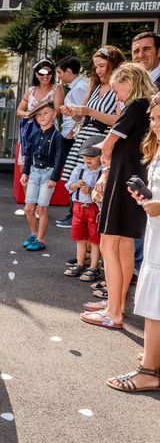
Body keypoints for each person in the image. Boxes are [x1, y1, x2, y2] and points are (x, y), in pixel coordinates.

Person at [81, 63, 156, 328]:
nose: (117, 96)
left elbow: (109, 143)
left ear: (129, 81)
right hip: (135, 179)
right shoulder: (148, 106)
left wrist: (103, 171)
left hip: (121, 180)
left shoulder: (135, 106)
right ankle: (117, 304)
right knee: (123, 247)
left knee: (109, 244)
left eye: (117, 89)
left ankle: (113, 312)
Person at [107, 93, 160, 392]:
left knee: (155, 303)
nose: (155, 125)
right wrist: (148, 198)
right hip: (156, 233)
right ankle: (155, 357)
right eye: (153, 119)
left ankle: (149, 371)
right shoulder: (157, 148)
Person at [61, 46, 125, 183]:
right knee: (75, 184)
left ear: (114, 64)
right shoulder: (95, 84)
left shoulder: (120, 87)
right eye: (96, 67)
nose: (98, 71)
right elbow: (80, 116)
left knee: (94, 185)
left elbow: (119, 121)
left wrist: (90, 112)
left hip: (101, 141)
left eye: (101, 66)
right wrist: (71, 112)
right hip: (83, 139)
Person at [14, 58, 64, 216]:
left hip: (48, 132)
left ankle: (39, 206)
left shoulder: (57, 88)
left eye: (49, 72)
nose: (45, 76)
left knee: (45, 166)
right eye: (41, 72)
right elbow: (18, 111)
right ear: (36, 73)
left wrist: (41, 113)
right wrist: (32, 114)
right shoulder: (30, 90)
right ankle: (29, 205)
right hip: (30, 132)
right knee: (25, 166)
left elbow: (58, 111)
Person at [131, 32, 160, 280]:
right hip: (141, 158)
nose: (141, 55)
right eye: (136, 51)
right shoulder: (136, 84)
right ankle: (136, 270)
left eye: (146, 49)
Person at [20, 100, 63, 251]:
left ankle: (41, 239)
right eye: (38, 114)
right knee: (29, 208)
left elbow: (59, 158)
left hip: (48, 174)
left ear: (54, 114)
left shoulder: (57, 136)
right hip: (33, 172)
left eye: (45, 113)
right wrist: (25, 172)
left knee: (42, 208)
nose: (42, 116)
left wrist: (54, 178)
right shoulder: (34, 136)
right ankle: (34, 233)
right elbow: (28, 155)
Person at [54, 55, 89, 229]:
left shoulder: (80, 88)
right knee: (70, 173)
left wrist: (70, 134)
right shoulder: (77, 87)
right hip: (70, 135)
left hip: (73, 136)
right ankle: (72, 213)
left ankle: (74, 214)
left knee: (73, 174)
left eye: (59, 72)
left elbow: (82, 115)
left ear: (69, 71)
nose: (58, 76)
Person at [63, 135, 103, 282]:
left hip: (94, 208)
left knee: (94, 238)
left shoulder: (103, 172)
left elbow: (102, 193)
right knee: (80, 237)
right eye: (85, 156)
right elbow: (68, 186)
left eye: (92, 156)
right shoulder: (79, 169)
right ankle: (80, 263)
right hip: (78, 207)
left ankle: (93, 267)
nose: (88, 159)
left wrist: (91, 190)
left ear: (101, 155)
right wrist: (76, 185)